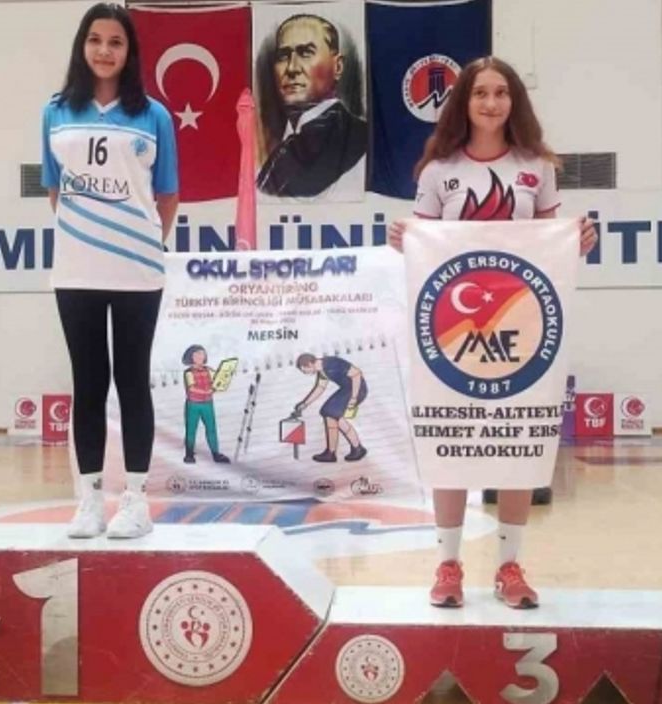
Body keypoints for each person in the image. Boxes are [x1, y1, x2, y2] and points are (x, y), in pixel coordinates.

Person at [388, 56, 598, 609]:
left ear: (514, 101)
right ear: (464, 101)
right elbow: (427, 254)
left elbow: (550, 242)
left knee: (517, 439)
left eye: (501, 92)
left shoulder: (536, 167)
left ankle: (509, 566)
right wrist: (406, 241)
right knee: (451, 438)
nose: (491, 102)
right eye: (480, 92)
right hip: (454, 332)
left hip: (520, 326)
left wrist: (577, 242)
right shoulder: (438, 171)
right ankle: (448, 564)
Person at [41, 3, 178, 540]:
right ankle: (90, 501)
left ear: (129, 51)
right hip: (75, 270)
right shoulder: (55, 112)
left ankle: (137, 502)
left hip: (138, 270)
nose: (104, 50)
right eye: (95, 39)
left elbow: (167, 194)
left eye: (115, 41)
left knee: (132, 380)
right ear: (82, 46)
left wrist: (143, 245)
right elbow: (55, 189)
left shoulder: (155, 116)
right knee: (88, 382)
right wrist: (87, 238)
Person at [255, 13, 366, 198]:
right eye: (283, 56)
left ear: (338, 67)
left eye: (305, 53)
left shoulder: (357, 136)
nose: (292, 68)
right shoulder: (280, 142)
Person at [292, 352, 367, 462]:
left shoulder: (332, 363)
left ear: (309, 364)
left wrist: (354, 398)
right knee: (329, 414)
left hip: (357, 389)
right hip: (346, 390)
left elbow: (356, 374)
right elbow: (320, 388)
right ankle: (332, 453)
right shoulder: (322, 370)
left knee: (330, 413)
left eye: (305, 370)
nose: (305, 373)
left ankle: (355, 448)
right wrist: (305, 403)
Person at [182, 345, 230, 465]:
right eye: (196, 354)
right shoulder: (188, 372)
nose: (200, 357)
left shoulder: (209, 370)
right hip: (193, 405)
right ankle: (189, 454)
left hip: (207, 404)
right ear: (190, 357)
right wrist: (207, 391)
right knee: (191, 430)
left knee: (211, 429)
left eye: (202, 354)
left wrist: (223, 378)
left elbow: (218, 381)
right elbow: (191, 388)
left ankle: (216, 453)